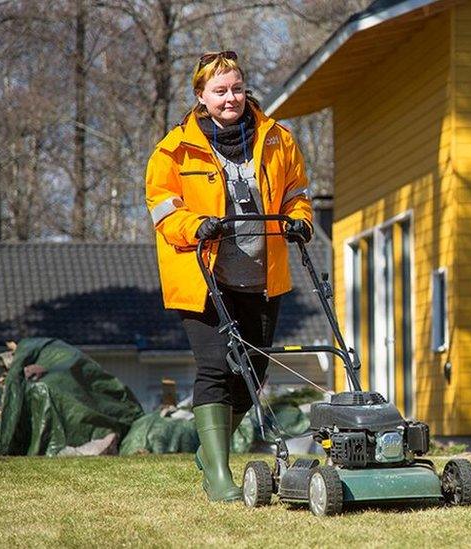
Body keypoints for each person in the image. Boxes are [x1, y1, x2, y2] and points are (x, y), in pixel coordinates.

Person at [144, 50, 313, 503]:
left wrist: (300, 221)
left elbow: (297, 192)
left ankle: (209, 447)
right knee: (216, 367)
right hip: (203, 277)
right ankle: (219, 473)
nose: (230, 98)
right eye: (219, 91)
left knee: (252, 372)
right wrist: (195, 225)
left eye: (236, 88)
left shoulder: (277, 139)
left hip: (262, 276)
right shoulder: (173, 150)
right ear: (200, 95)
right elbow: (163, 209)